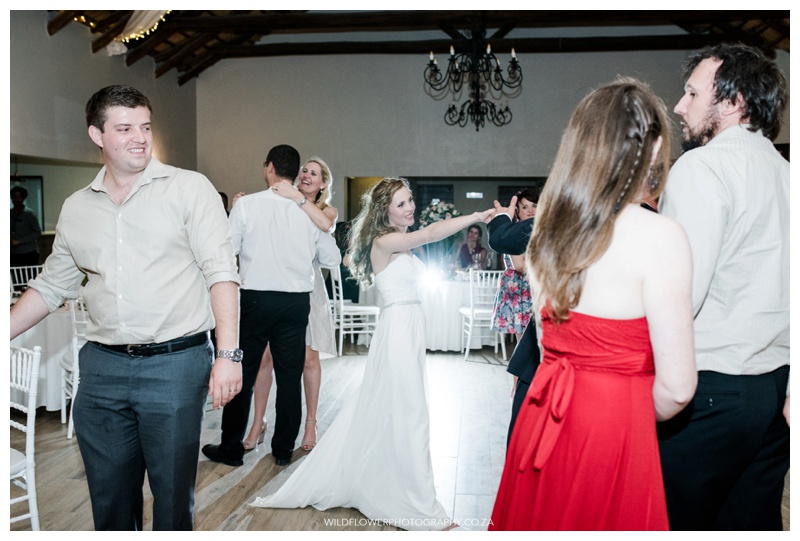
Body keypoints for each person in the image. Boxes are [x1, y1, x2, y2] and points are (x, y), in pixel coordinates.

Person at [9, 85, 241, 531]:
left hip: (174, 365)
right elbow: (51, 286)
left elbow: (222, 273)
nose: (140, 138)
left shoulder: (189, 189)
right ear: (97, 135)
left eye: (145, 127)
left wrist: (229, 355)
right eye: (125, 128)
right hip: (102, 368)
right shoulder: (77, 207)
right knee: (110, 500)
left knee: (172, 499)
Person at [490, 77, 696, 530]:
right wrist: (628, 412)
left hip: (543, 417)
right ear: (653, 146)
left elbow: (547, 344)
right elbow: (678, 388)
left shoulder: (546, 231)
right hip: (613, 429)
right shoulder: (661, 236)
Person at [250, 177, 495, 530]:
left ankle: (392, 483)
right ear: (385, 210)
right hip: (397, 331)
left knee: (399, 409)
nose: (410, 207)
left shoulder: (398, 241)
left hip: (408, 328)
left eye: (410, 200)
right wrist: (476, 217)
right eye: (401, 203)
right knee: (410, 411)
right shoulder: (384, 241)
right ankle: (418, 504)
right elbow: (430, 233)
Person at [657, 43, 789, 531]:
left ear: (734, 102)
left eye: (693, 93)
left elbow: (680, 295)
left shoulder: (702, 167)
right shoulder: (787, 173)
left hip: (710, 392)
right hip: (773, 392)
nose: (679, 106)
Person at [202, 145, 340, 468]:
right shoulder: (308, 212)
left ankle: (232, 448)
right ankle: (282, 450)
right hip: (295, 303)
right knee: (289, 378)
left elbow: (228, 252)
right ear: (295, 173)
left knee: (244, 373)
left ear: (269, 168)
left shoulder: (247, 205)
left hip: (255, 300)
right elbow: (331, 259)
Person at [241, 156, 339, 452]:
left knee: (309, 359)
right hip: (279, 288)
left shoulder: (325, 210)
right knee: (265, 358)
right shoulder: (282, 203)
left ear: (323, 183)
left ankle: (310, 422)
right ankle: (258, 422)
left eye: (314, 173)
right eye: (304, 170)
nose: (307, 175)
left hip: (309, 290)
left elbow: (325, 228)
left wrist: (297, 198)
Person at [491, 189, 538, 341]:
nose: (530, 210)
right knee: (524, 341)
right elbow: (519, 266)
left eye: (534, 206)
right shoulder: (513, 232)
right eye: (525, 207)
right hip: (520, 288)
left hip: (536, 288)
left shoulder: (541, 231)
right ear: (517, 211)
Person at [10, 185, 42, 267]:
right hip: (13, 254)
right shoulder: (9, 213)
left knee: (28, 274)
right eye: (14, 196)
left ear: (24, 198)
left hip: (28, 253)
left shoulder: (29, 214)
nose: (16, 199)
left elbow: (37, 232)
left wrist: (20, 241)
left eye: (19, 197)